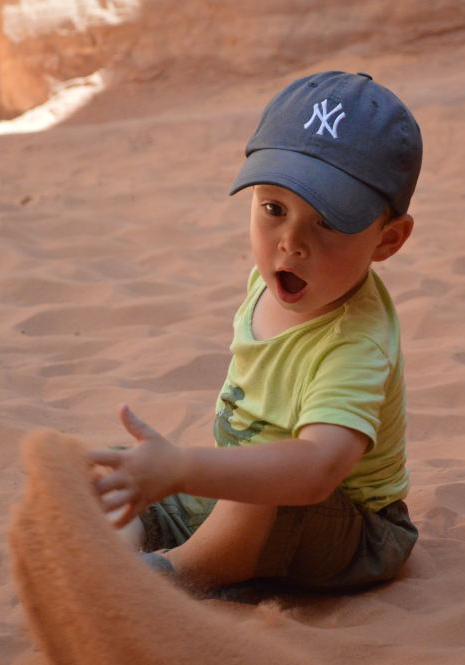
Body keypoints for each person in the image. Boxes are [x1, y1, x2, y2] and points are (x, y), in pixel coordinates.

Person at [87, 71, 421, 593]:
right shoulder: (270, 282)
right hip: (254, 492)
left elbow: (316, 469)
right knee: (111, 472)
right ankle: (114, 557)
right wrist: (171, 472)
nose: (291, 242)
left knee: (262, 484)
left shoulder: (355, 342)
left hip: (350, 527)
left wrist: (183, 468)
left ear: (388, 239)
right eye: (274, 209)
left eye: (328, 222)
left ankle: (178, 578)